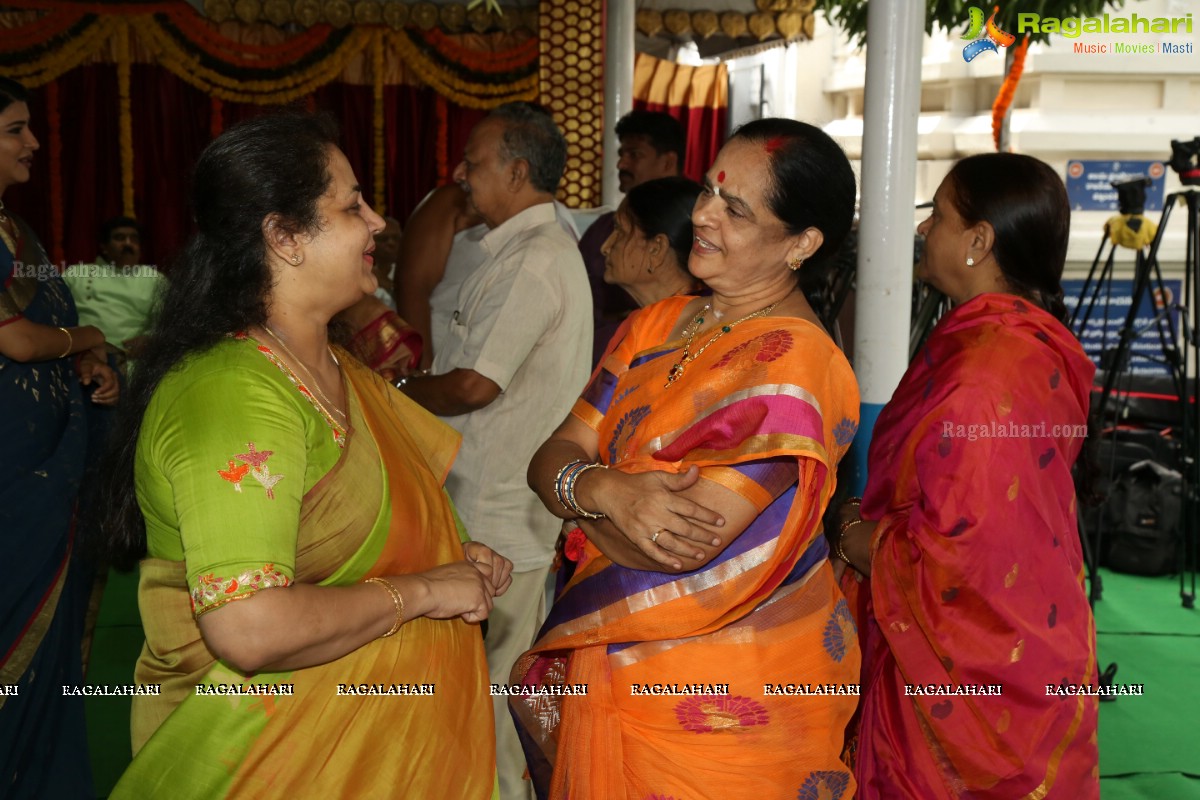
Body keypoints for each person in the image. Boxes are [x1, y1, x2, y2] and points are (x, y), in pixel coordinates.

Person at [95, 110, 510, 798]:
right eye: (351, 206)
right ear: (284, 237)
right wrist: (425, 590)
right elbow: (249, 628)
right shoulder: (232, 395)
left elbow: (370, 540)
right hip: (260, 760)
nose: (378, 222)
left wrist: (451, 560)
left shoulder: (346, 375)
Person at [517, 118, 861, 799]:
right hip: (611, 675)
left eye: (735, 209)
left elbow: (678, 549)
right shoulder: (652, 326)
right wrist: (608, 491)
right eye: (708, 190)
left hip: (738, 702)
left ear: (802, 242)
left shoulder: (800, 364)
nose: (703, 213)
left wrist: (576, 501)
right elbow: (549, 456)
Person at [833, 153, 1099, 798]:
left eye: (940, 217)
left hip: (967, 669)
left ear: (979, 241)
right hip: (1036, 621)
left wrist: (846, 534)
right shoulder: (1028, 344)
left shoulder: (985, 371)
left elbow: (953, 557)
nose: (925, 231)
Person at [400, 102, 591, 800]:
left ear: (516, 171)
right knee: (473, 686)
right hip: (479, 495)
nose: (458, 176)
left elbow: (476, 383)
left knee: (493, 692)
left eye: (473, 164)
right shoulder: (502, 245)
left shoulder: (536, 258)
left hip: (500, 508)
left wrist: (392, 391)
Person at [0, 75, 118, 800]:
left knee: (52, 665)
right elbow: (14, 341)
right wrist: (92, 333)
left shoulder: (20, 234)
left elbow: (50, 331)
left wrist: (90, 362)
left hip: (44, 479)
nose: (33, 142)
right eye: (15, 129)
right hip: (10, 489)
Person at [553, 175, 704, 589]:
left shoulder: (701, 337)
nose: (604, 246)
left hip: (653, 562)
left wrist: (587, 506)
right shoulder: (636, 329)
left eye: (620, 231)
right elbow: (564, 449)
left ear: (655, 249)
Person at [579, 110, 685, 366]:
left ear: (667, 163)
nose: (621, 165)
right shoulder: (600, 229)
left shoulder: (697, 226)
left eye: (634, 155)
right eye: (621, 155)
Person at [63, 215, 165, 363]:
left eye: (134, 239)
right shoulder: (77, 274)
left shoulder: (155, 279)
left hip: (134, 360)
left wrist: (151, 338)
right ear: (104, 247)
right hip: (82, 357)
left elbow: (170, 320)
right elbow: (53, 310)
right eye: (120, 238)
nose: (128, 243)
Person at [371, 215, 401, 308]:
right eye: (383, 239)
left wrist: (388, 285)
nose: (391, 243)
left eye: (396, 238)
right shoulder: (363, 273)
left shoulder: (412, 272)